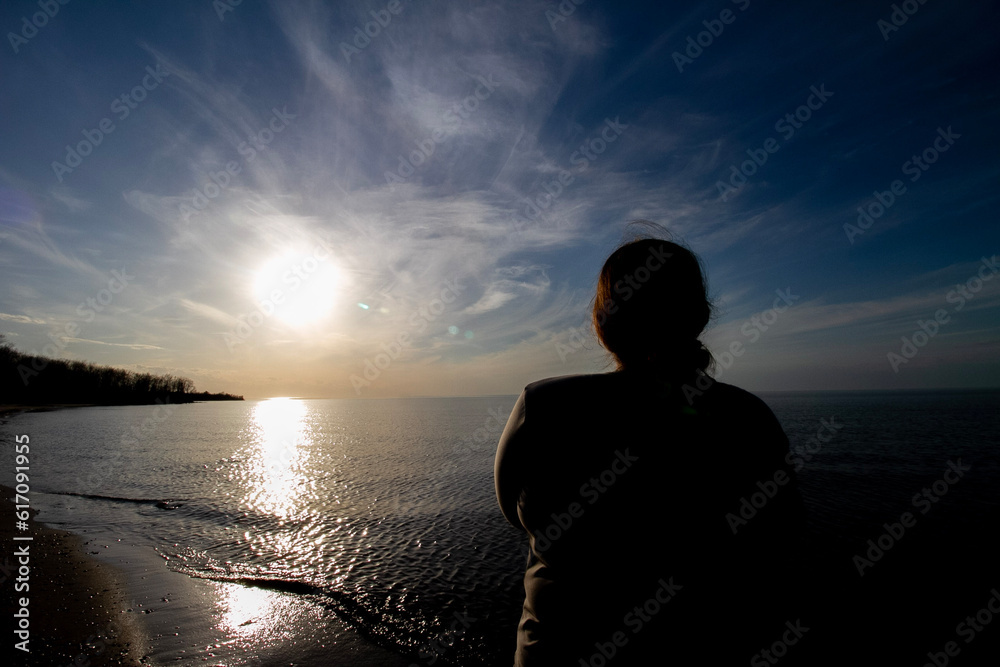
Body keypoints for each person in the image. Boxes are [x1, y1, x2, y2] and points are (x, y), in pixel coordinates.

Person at [494, 231, 808, 665]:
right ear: (698, 316)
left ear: (603, 324)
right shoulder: (749, 418)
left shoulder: (543, 405)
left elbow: (515, 512)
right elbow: (781, 541)